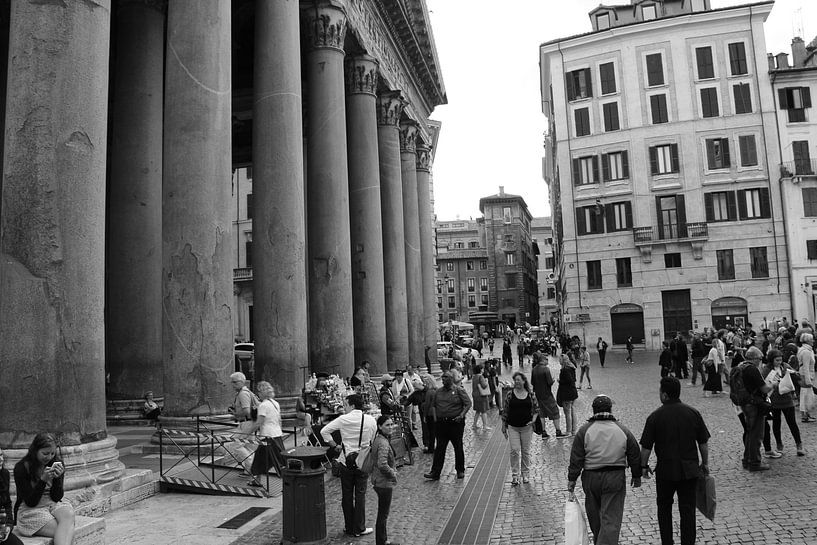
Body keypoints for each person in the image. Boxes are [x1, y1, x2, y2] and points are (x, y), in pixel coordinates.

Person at [640, 377, 710, 545]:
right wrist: (705, 463)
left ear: (664, 395)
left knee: (664, 508)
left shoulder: (655, 417)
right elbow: (703, 443)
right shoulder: (693, 413)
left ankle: (667, 541)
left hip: (666, 470)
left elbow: (646, 447)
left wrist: (643, 466)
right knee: (687, 509)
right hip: (689, 469)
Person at [567, 395, 642, 545]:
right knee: (611, 518)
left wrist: (572, 479)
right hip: (615, 477)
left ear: (593, 410)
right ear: (610, 409)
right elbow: (634, 452)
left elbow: (576, 457)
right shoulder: (622, 429)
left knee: (595, 517)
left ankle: (600, 541)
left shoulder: (584, 431)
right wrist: (636, 474)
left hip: (591, 477)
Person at [320, 394, 377, 538]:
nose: (344, 407)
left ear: (352, 405)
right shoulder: (370, 420)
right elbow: (373, 439)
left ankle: (349, 527)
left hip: (346, 461)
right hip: (363, 461)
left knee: (346, 495)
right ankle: (359, 527)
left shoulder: (343, 419)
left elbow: (324, 431)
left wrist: (335, 445)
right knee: (360, 495)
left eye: (345, 404)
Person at [13, 434, 75, 545]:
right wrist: (43, 480)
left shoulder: (56, 463)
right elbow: (30, 502)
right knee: (65, 532)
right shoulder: (21, 467)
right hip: (31, 511)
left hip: (52, 504)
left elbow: (57, 497)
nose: (49, 457)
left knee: (68, 514)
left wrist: (57, 479)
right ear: (35, 450)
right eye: (45, 453)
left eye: (52, 453)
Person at [424, 371, 472, 480]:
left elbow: (468, 403)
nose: (443, 379)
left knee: (458, 446)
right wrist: (436, 420)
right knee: (440, 448)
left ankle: (460, 470)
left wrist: (461, 415)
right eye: (443, 378)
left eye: (446, 377)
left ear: (451, 379)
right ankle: (435, 472)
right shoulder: (438, 392)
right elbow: (434, 406)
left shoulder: (458, 390)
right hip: (441, 424)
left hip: (455, 423)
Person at [731, 346, 772, 471]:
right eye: (759, 359)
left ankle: (747, 460)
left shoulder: (740, 366)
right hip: (754, 403)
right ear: (754, 358)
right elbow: (764, 388)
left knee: (749, 432)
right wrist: (774, 384)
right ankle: (755, 462)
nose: (760, 361)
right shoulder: (752, 369)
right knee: (756, 434)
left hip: (744, 403)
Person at [762, 349, 805, 456]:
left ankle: (799, 444)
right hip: (775, 400)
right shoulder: (767, 369)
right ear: (771, 360)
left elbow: (796, 376)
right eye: (777, 360)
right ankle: (779, 444)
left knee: (792, 423)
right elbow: (764, 383)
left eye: (780, 360)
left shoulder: (785, 366)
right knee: (776, 423)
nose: (779, 362)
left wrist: (792, 374)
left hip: (787, 399)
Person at [501, 372, 538, 485]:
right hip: (513, 427)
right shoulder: (510, 394)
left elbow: (537, 409)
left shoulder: (530, 394)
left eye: (518, 380)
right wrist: (503, 425)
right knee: (514, 451)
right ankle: (515, 475)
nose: (516, 382)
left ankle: (525, 474)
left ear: (523, 381)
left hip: (526, 427)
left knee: (525, 452)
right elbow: (505, 410)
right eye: (515, 380)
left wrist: (534, 420)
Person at [248, 381, 284, 487]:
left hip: (267, 435)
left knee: (267, 460)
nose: (258, 394)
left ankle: (258, 479)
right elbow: (279, 420)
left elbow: (259, 422)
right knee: (269, 459)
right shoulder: (275, 403)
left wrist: (247, 433)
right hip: (276, 434)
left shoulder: (263, 405)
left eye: (258, 391)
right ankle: (257, 480)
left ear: (262, 392)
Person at [370, 415, 399, 545]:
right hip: (383, 482)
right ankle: (381, 541)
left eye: (391, 424)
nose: (391, 427)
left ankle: (383, 540)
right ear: (380, 426)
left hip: (378, 480)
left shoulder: (379, 439)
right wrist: (392, 473)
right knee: (383, 514)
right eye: (387, 425)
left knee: (383, 513)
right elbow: (382, 464)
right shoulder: (383, 443)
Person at [225, 372, 258, 475]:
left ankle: (252, 467)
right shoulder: (243, 392)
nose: (233, 385)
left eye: (235, 382)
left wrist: (235, 413)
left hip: (246, 423)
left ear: (242, 382)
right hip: (249, 422)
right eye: (232, 382)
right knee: (249, 447)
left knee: (236, 445)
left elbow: (247, 411)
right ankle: (249, 470)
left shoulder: (243, 393)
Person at [531, 355, 567, 438]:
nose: (547, 362)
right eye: (546, 360)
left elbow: (532, 382)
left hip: (538, 395)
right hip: (547, 395)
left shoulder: (534, 369)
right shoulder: (545, 369)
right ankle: (558, 431)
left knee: (541, 414)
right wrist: (553, 380)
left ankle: (543, 432)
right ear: (543, 360)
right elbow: (549, 382)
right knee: (555, 411)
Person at [0, 448, 24, 545]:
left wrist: (8, 527)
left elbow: (7, 504)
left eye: (1, 455)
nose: (1, 459)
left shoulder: (4, 474)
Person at [556, 354, 579, 435]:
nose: (559, 361)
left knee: (568, 413)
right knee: (573, 412)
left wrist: (560, 381)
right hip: (573, 392)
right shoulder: (572, 368)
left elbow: (569, 380)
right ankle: (574, 431)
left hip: (567, 394)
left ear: (563, 360)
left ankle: (568, 431)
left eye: (560, 360)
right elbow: (574, 379)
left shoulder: (564, 370)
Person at [798, 333, 816, 423]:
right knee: (806, 396)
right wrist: (808, 380)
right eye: (811, 339)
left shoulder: (803, 349)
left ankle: (806, 414)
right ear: (807, 341)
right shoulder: (806, 352)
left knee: (805, 395)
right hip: (806, 375)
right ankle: (805, 415)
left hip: (804, 375)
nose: (813, 341)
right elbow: (806, 367)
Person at [419, 374, 438, 454]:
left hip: (429, 414)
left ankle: (431, 448)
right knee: (434, 431)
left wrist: (424, 416)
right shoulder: (436, 390)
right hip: (435, 413)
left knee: (430, 431)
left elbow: (427, 405)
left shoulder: (429, 392)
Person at [471, 364, 492, 431]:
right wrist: (486, 381)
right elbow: (484, 386)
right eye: (482, 369)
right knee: (483, 411)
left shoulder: (474, 377)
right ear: (480, 370)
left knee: (478, 411)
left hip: (475, 395)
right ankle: (485, 426)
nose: (483, 370)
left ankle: (474, 424)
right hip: (481, 396)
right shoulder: (481, 377)